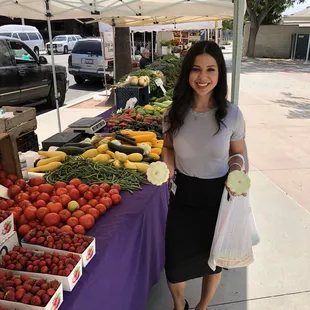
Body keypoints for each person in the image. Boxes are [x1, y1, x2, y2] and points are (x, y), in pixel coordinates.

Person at [162, 40, 246, 310]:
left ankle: (202, 307)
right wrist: (168, 165)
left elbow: (237, 154)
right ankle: (179, 305)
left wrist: (236, 170)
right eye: (196, 69)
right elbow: (167, 147)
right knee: (174, 262)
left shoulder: (232, 115)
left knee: (214, 260)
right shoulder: (173, 113)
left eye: (211, 69)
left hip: (218, 197)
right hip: (183, 194)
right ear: (188, 73)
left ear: (219, 74)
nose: (203, 77)